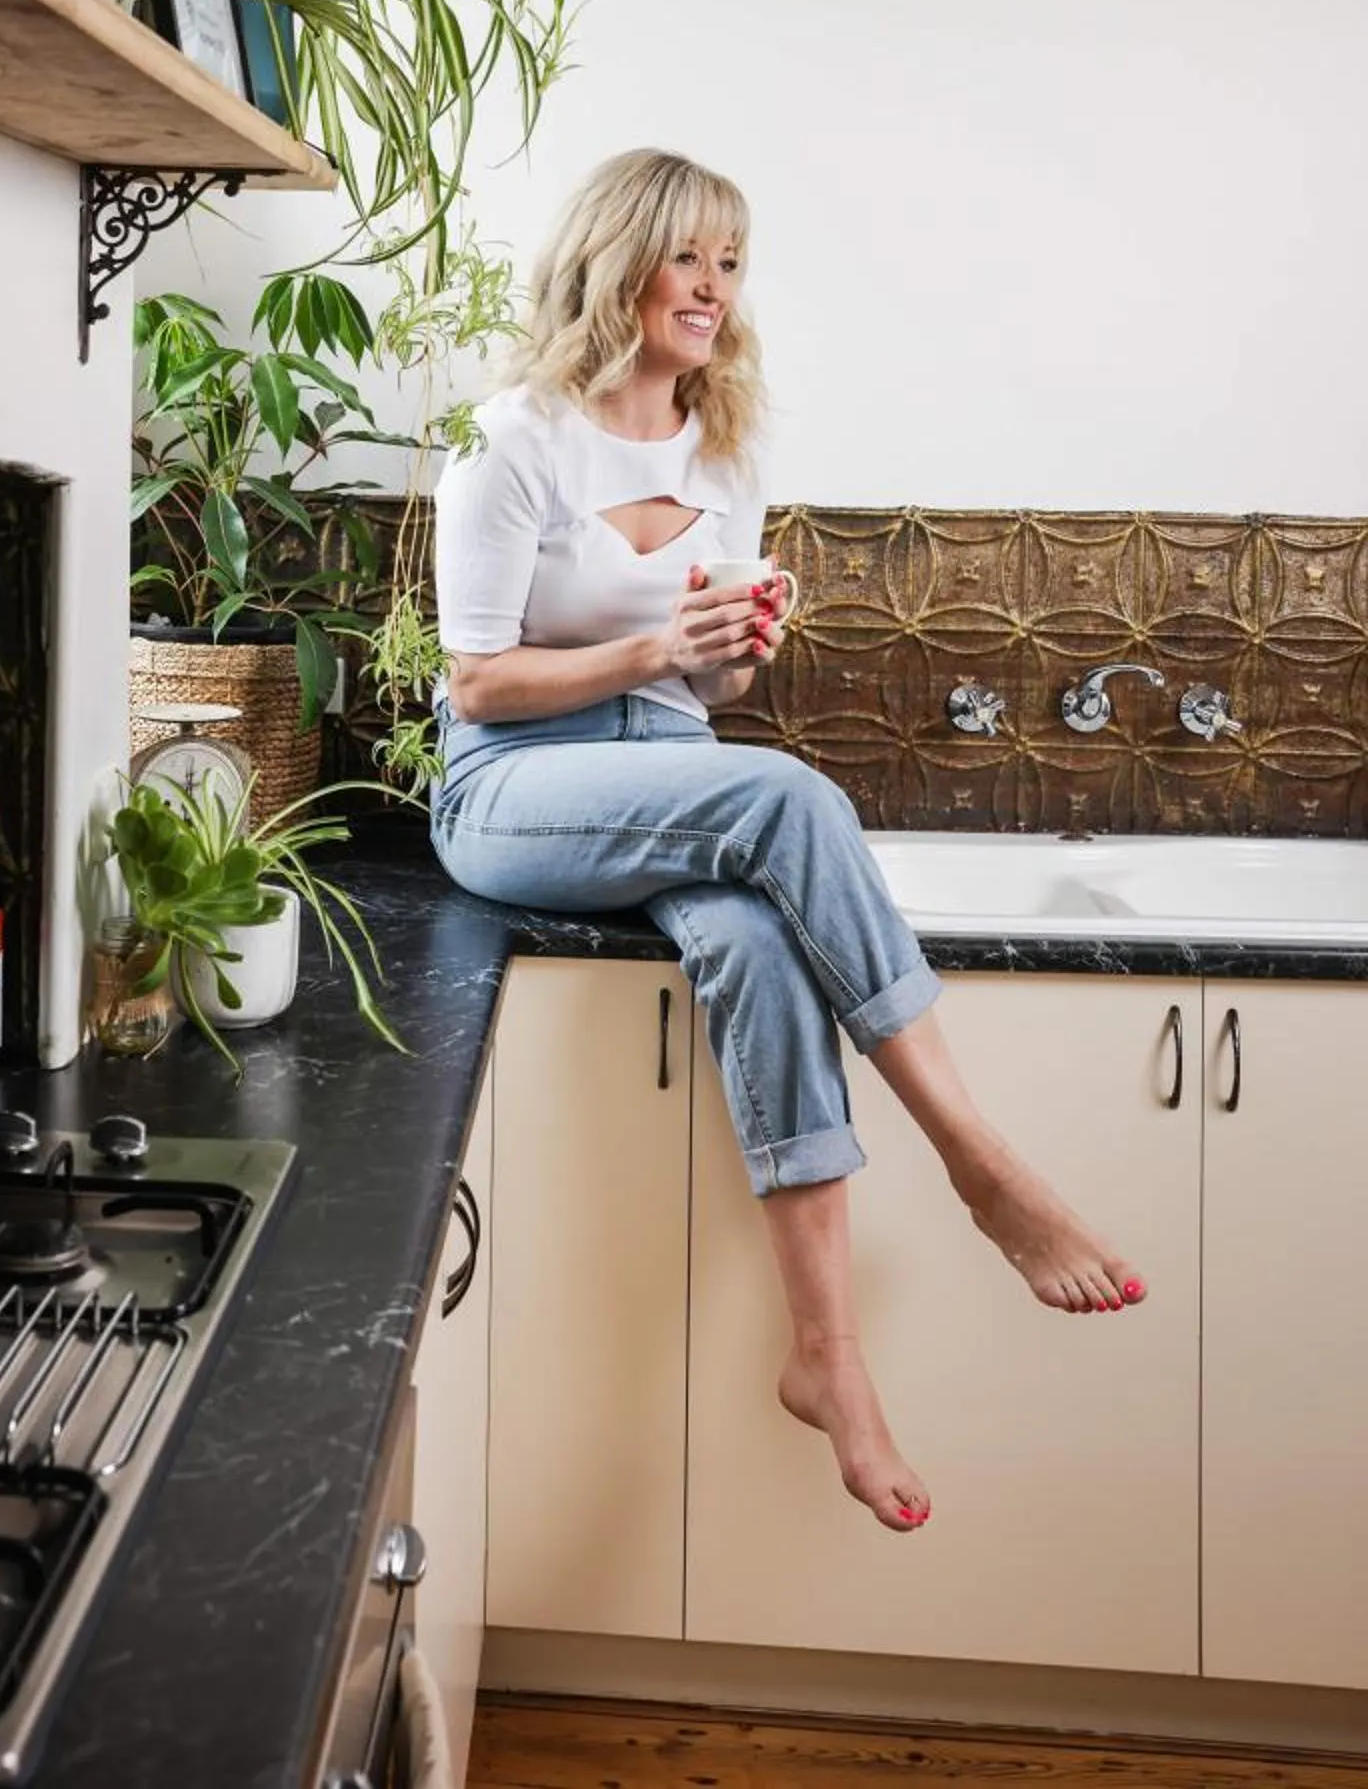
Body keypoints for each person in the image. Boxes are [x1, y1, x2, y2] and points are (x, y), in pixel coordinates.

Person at [430, 147, 1145, 1533]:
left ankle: (829, 1362)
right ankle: (976, 1160)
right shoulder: (512, 439)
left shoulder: (728, 449)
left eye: (732, 264)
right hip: (516, 787)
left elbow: (710, 700)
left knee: (759, 943)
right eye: (689, 256)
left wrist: (730, 654)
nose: (713, 289)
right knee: (797, 799)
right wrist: (653, 641)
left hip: (675, 772)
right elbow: (474, 684)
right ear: (617, 259)